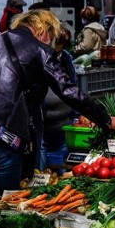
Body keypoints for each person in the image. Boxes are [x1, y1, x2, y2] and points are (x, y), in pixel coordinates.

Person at [0, 9, 115, 199]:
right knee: (3, 205)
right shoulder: (40, 50)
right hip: (4, 134)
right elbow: (69, 91)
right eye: (51, 35)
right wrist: (106, 120)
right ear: (43, 28)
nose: (50, 40)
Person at [40, 26, 78, 172]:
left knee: (61, 160)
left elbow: (72, 85)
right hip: (43, 122)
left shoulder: (66, 57)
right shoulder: (40, 55)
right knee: (41, 166)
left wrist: (76, 115)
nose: (58, 53)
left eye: (61, 49)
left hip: (62, 121)